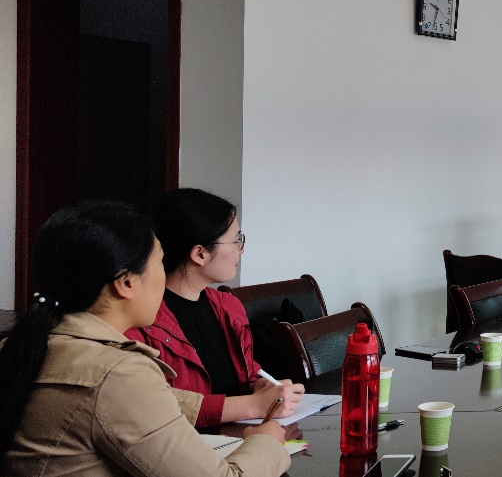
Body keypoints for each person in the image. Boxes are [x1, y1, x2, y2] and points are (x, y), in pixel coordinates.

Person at [0, 202, 290, 476]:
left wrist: (246, 405)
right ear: (126, 283)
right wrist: (266, 442)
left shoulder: (26, 345)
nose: (165, 277)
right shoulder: (115, 372)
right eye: (161, 264)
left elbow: (144, 400)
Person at [126, 188, 304, 428]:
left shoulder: (227, 306)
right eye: (236, 240)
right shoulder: (141, 319)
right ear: (200, 254)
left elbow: (246, 373)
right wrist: (253, 405)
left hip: (237, 436)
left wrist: (259, 386)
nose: (241, 250)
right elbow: (153, 406)